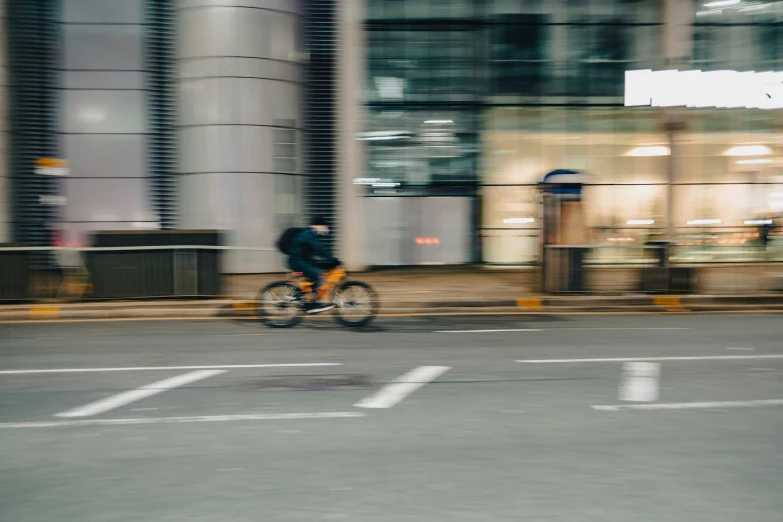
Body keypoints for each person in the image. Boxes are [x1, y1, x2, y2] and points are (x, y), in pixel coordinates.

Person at [286, 216, 341, 313]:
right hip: (297, 261)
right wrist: (332, 259)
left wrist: (325, 262)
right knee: (318, 276)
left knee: (315, 276)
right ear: (319, 225)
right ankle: (315, 304)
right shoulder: (309, 234)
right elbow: (319, 248)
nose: (326, 229)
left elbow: (312, 252)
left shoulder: (309, 233)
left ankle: (298, 296)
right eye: (325, 226)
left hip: (299, 260)